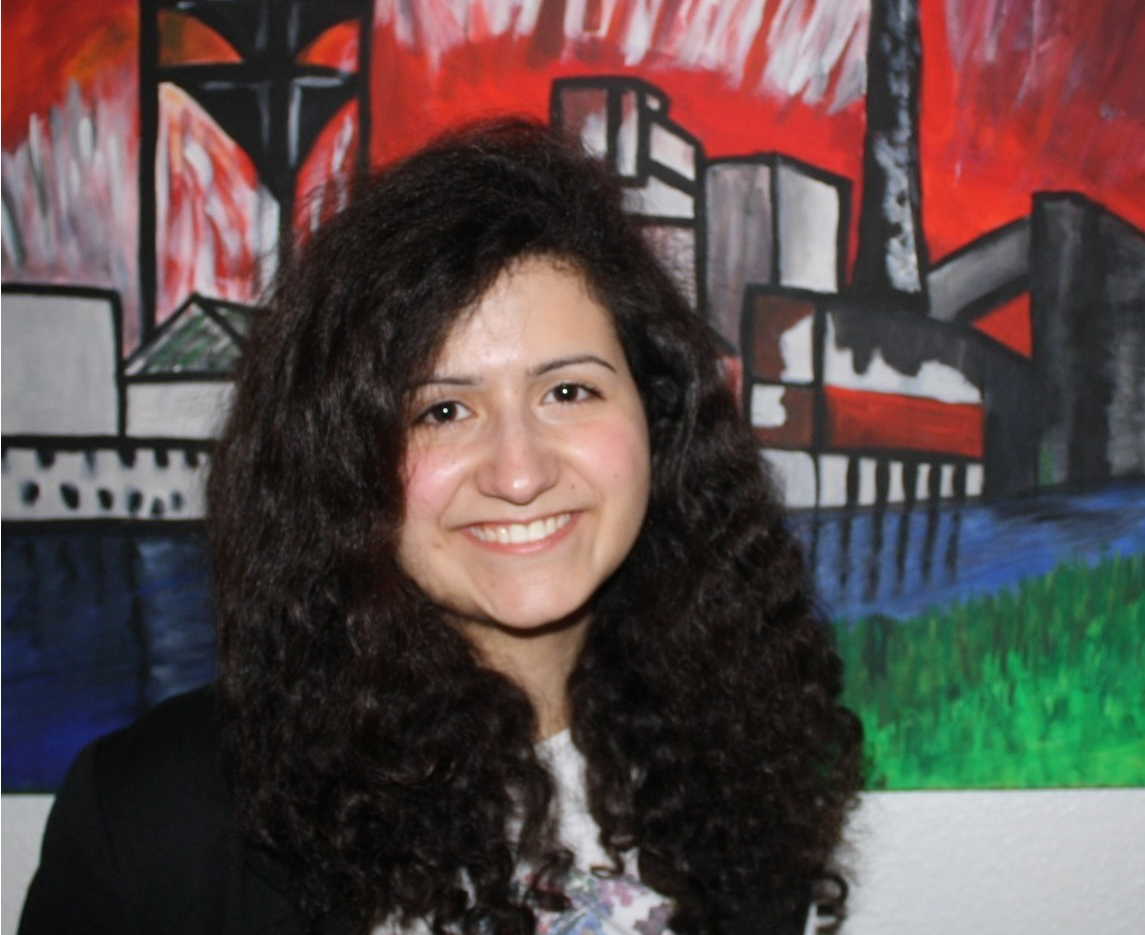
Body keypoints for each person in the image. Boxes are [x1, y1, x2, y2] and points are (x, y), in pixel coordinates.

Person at [20, 118, 864, 935]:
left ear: (658, 417)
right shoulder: (151, 819)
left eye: (568, 391)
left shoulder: (745, 772)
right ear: (345, 458)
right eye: (443, 410)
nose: (519, 473)